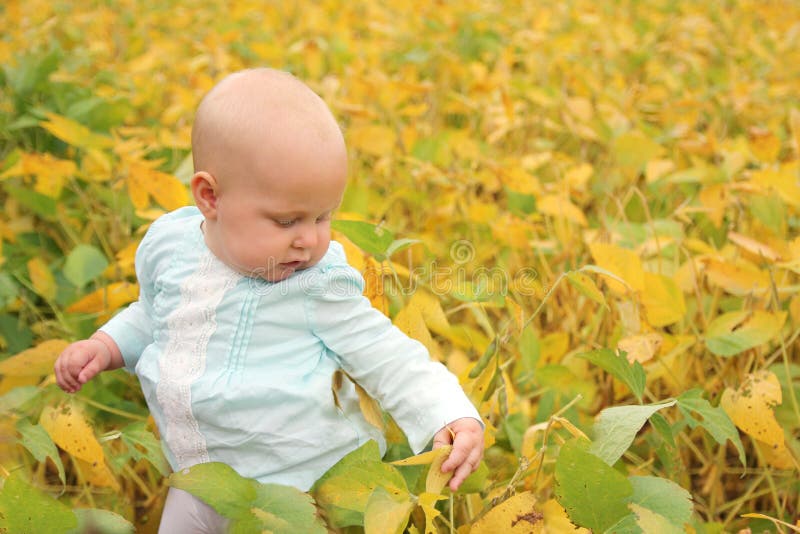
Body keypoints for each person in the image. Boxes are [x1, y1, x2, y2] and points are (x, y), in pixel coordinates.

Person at [54, 68, 484, 532]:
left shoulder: (317, 287)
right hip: (197, 478)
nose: (309, 241)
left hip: (294, 490)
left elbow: (386, 355)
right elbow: (156, 316)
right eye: (287, 221)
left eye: (323, 217)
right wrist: (105, 345)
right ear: (210, 197)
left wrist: (447, 411)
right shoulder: (172, 248)